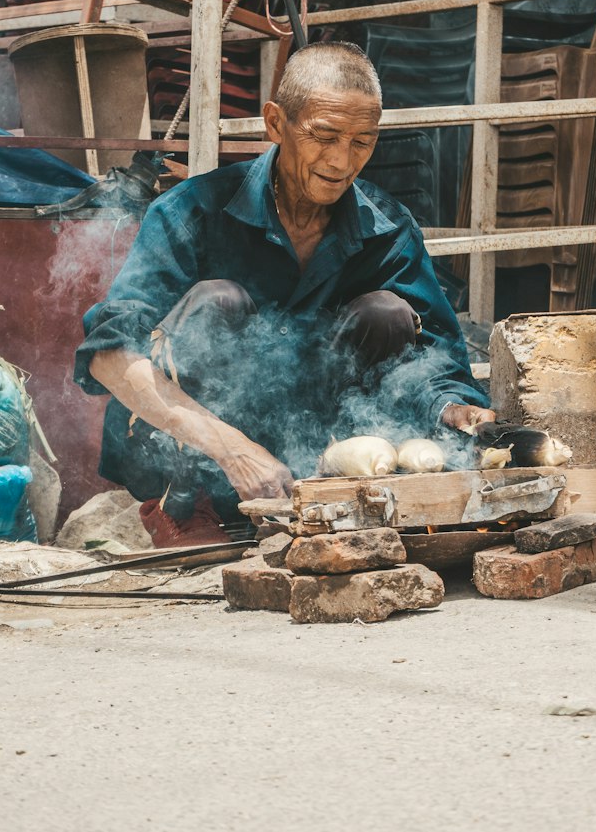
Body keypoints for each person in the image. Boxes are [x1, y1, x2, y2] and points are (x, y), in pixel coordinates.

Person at [75, 41, 495, 545]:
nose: (342, 161)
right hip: (204, 454)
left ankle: (341, 488)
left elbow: (438, 355)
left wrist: (453, 408)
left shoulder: (387, 228)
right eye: (324, 136)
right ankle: (182, 504)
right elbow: (109, 356)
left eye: (363, 141)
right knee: (219, 301)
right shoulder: (192, 212)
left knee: (387, 313)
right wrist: (232, 448)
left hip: (311, 456)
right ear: (276, 124)